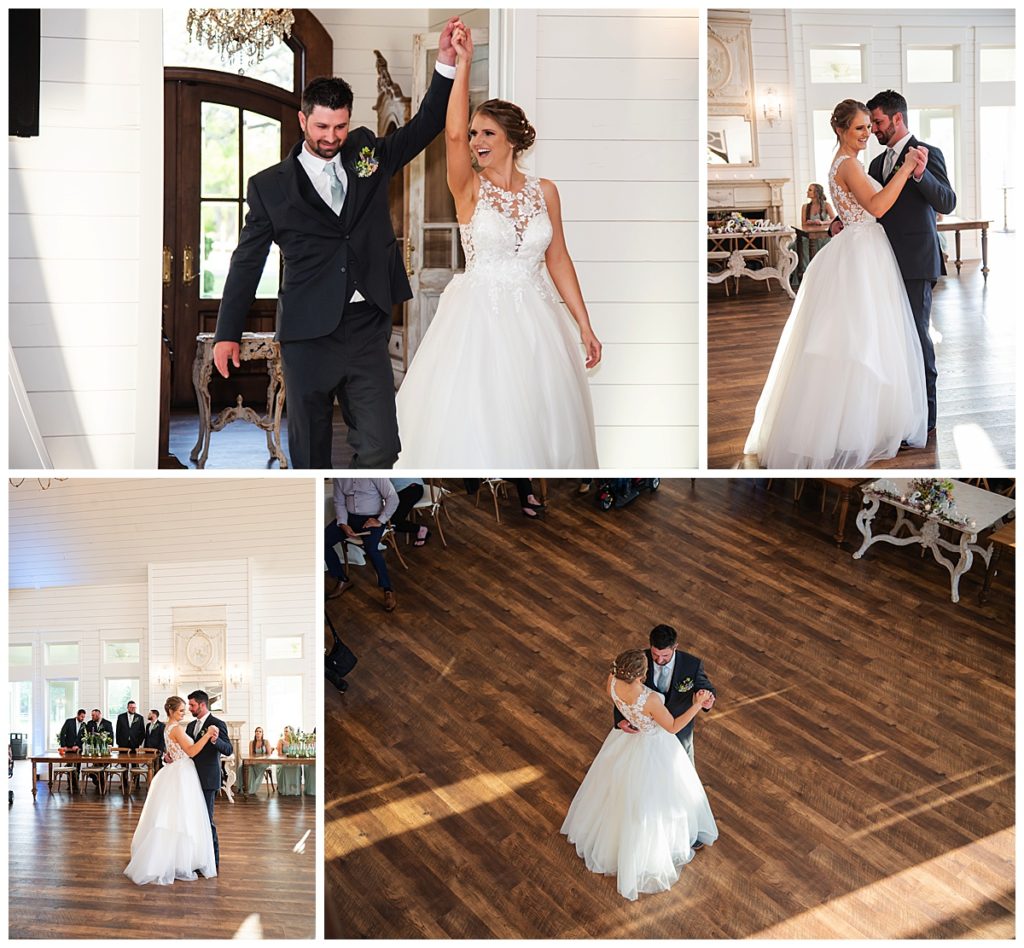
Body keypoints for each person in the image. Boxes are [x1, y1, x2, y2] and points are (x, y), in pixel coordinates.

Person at [212, 18, 466, 469]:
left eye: (341, 127)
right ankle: (324, 531)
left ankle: (359, 516)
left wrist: (445, 63)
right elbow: (247, 261)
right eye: (322, 127)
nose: (331, 138)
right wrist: (226, 333)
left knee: (382, 447)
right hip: (307, 335)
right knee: (310, 453)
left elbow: (424, 127)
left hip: (367, 324)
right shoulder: (270, 187)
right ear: (303, 119)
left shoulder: (366, 151)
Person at [394, 25, 600, 468]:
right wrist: (462, 65)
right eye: (473, 134)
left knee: (540, 420)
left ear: (512, 139)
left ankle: (534, 494)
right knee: (486, 419)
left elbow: (558, 259)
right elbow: (449, 137)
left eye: (486, 133)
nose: (475, 142)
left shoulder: (545, 191)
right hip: (480, 319)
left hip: (538, 322)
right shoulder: (468, 188)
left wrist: (583, 324)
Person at [744, 98, 929, 469]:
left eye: (867, 127)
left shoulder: (845, 164)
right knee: (860, 340)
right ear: (841, 130)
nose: (866, 134)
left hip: (862, 248)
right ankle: (848, 430)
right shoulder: (847, 164)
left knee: (865, 339)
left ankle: (859, 424)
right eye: (859, 128)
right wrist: (906, 168)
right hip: (863, 253)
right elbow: (877, 207)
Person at [560, 649, 718, 901]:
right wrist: (697, 705)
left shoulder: (611, 680)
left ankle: (612, 843)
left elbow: (618, 702)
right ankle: (646, 853)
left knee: (617, 792)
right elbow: (674, 726)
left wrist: (627, 719)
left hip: (625, 740)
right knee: (655, 800)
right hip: (654, 746)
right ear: (641, 676)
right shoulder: (650, 699)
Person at [865, 89, 957, 434]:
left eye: (877, 122)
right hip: (881, 263)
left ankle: (926, 421)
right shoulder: (876, 164)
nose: (873, 129)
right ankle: (898, 413)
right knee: (891, 340)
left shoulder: (928, 153)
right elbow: (874, 209)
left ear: (897, 118)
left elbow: (947, 201)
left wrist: (920, 174)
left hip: (917, 263)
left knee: (918, 340)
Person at [123, 696, 218, 885]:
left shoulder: (167, 727)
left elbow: (175, 751)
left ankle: (179, 857)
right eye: (181, 710)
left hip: (177, 770)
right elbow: (190, 751)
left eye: (185, 709)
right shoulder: (176, 728)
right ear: (172, 711)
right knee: (183, 816)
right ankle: (179, 859)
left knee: (177, 816)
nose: (184, 713)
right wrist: (207, 736)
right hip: (183, 772)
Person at [616, 625, 716, 767]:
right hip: (645, 733)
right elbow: (624, 687)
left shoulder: (691, 664)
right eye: (655, 654)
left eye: (665, 656)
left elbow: (706, 687)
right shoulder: (639, 661)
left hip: (679, 730)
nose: (660, 660)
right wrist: (620, 719)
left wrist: (707, 701)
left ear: (675, 646)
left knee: (681, 771)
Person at [327, 478, 399, 611]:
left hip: (373, 518)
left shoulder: (374, 471)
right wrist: (343, 523)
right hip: (349, 517)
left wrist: (380, 520)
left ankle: (387, 589)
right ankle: (342, 579)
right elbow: (339, 502)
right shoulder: (339, 475)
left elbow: (393, 497)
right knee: (322, 540)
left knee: (371, 549)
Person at [184, 690, 233, 870]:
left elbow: (228, 749)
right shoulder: (189, 726)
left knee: (207, 821)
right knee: (193, 820)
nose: (189, 708)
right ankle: (196, 859)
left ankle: (213, 861)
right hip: (190, 778)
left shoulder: (217, 723)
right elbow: (188, 750)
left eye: (192, 705)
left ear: (202, 705)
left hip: (208, 779)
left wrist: (215, 741)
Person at [390, 478, 431, 546]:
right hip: (410, 487)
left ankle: (420, 529)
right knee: (390, 518)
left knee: (393, 522)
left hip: (410, 489)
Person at [246, 727, 272, 795]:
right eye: (257, 731)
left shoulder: (266, 742)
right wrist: (254, 761)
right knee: (243, 767)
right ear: (255, 733)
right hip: (254, 762)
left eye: (260, 731)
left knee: (256, 767)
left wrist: (261, 758)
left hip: (264, 762)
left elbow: (269, 755)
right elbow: (251, 755)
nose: (258, 733)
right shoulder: (252, 743)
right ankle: (245, 787)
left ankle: (252, 788)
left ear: (262, 733)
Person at [276, 727, 301, 796]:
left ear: (291, 732)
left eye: (286, 731)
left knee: (297, 767)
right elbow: (279, 754)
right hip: (283, 761)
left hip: (293, 760)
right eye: (284, 731)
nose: (285, 733)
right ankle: (283, 789)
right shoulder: (281, 741)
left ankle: (295, 790)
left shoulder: (296, 741)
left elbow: (298, 752)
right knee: (284, 767)